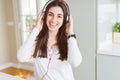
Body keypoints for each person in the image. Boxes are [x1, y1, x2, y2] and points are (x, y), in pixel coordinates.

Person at [17, 0, 82, 80]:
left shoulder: (69, 41)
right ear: (44, 16)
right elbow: (21, 57)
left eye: (59, 16)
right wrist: (36, 29)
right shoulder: (37, 40)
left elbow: (75, 62)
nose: (54, 20)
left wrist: (71, 33)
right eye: (50, 14)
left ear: (65, 20)